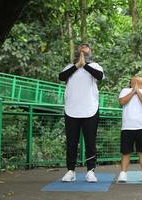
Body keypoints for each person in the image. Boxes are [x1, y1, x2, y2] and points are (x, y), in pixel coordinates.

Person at [58, 43, 104, 182]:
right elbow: (61, 76)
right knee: (71, 142)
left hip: (90, 109)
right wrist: (77, 65)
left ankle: (91, 171)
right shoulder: (70, 67)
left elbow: (99, 76)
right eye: (81, 48)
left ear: (91, 51)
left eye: (86, 48)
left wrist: (84, 65)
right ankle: (70, 171)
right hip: (71, 110)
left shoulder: (95, 66)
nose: (83, 49)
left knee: (90, 142)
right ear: (78, 52)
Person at [117, 76, 142, 183]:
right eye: (134, 81)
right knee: (126, 151)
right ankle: (123, 174)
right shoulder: (125, 91)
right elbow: (122, 102)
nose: (136, 82)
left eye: (139, 81)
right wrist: (133, 91)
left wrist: (138, 91)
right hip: (127, 126)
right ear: (130, 83)